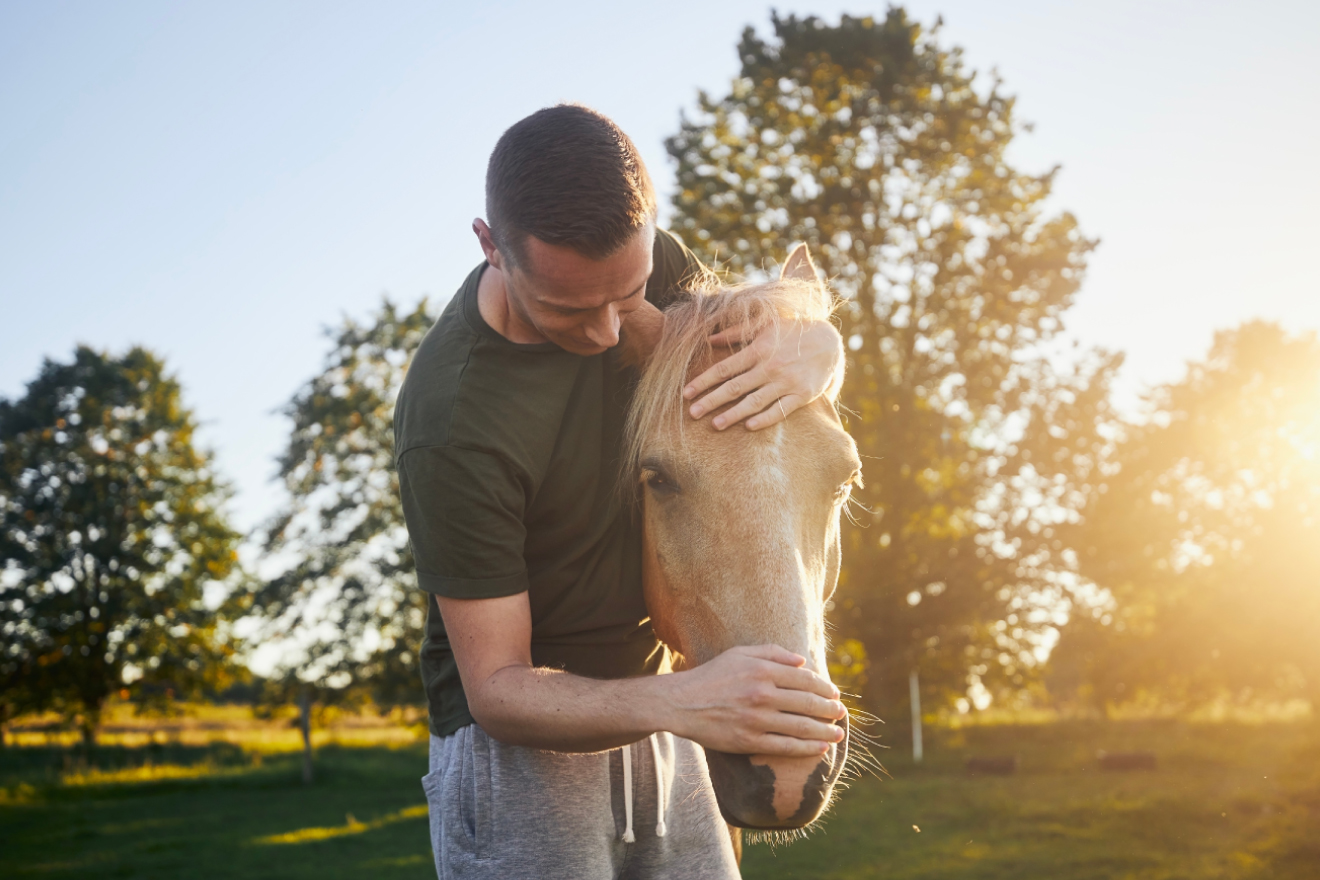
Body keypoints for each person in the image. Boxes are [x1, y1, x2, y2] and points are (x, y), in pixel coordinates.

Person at [394, 104, 846, 880]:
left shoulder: (646, 261)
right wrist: (686, 704)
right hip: (528, 753)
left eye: (628, 292)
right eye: (570, 308)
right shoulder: (454, 421)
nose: (609, 333)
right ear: (491, 247)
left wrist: (818, 348)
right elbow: (497, 689)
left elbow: (755, 359)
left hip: (676, 701)